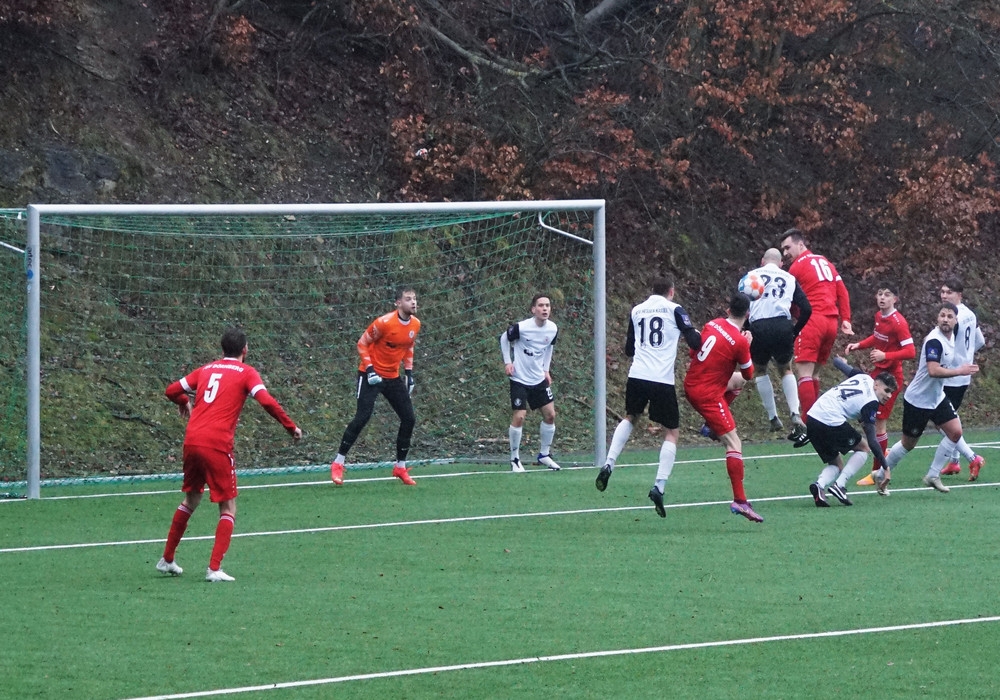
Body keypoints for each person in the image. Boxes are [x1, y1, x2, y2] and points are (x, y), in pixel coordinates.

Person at [159, 327, 302, 582]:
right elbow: (266, 400)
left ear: (222, 349)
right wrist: (291, 427)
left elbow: (171, 390)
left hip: (192, 441)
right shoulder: (246, 372)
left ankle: (167, 559)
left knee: (191, 499)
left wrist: (184, 401)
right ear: (245, 349)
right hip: (216, 444)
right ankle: (214, 569)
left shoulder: (206, 369)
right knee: (228, 506)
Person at [595, 277, 702, 499]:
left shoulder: (637, 310)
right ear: (671, 292)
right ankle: (659, 486)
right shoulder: (675, 309)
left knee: (630, 417)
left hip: (637, 375)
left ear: (652, 291)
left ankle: (608, 463)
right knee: (671, 431)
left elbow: (629, 349)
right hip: (662, 379)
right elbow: (694, 341)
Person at [873, 303, 978, 495]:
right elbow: (933, 370)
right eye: (942, 315)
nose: (945, 319)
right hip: (918, 400)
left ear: (956, 321)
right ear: (937, 318)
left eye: (950, 316)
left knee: (955, 432)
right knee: (908, 444)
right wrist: (959, 371)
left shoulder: (951, 337)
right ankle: (881, 474)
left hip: (937, 398)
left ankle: (933, 475)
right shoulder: (934, 341)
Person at [682, 292, 763, 522]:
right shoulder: (740, 341)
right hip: (707, 395)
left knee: (736, 382)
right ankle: (740, 501)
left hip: (694, 382)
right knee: (734, 442)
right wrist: (747, 346)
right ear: (747, 315)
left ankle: (710, 426)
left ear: (728, 310)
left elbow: (693, 351)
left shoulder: (712, 323)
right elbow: (749, 374)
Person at [329, 286, 421, 486]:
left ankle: (400, 467)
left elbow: (409, 346)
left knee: (409, 418)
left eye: (414, 298)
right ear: (398, 303)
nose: (413, 302)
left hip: (392, 377)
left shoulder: (415, 324)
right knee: (362, 417)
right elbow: (362, 343)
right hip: (370, 374)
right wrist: (370, 370)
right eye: (408, 299)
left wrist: (409, 373)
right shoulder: (384, 323)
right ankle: (338, 463)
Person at [832, 284, 915, 486]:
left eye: (887, 294)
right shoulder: (879, 316)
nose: (882, 298)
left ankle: (877, 471)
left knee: (878, 422)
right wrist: (859, 345)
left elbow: (911, 352)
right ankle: (882, 451)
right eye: (880, 294)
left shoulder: (898, 322)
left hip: (890, 379)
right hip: (878, 374)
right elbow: (877, 338)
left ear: (895, 299)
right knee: (869, 418)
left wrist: (885, 355)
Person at [779, 229, 853, 424]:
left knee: (804, 373)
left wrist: (794, 317)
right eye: (783, 249)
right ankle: (817, 420)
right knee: (815, 374)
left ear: (800, 244)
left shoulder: (796, 267)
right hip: (831, 323)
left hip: (813, 321)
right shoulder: (825, 262)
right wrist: (846, 318)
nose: (785, 253)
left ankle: (809, 423)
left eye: (788, 247)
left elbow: (790, 300)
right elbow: (842, 291)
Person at [744, 248, 812, 438]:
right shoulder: (789, 278)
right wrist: (794, 331)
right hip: (782, 326)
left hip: (759, 326)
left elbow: (742, 305)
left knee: (760, 370)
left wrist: (746, 328)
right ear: (781, 263)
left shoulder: (751, 276)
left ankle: (773, 418)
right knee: (786, 369)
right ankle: (795, 414)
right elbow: (807, 309)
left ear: (762, 261)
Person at [805, 368, 896, 507]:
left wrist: (838, 361)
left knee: (836, 464)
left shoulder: (864, 377)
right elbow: (872, 441)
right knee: (863, 448)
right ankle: (839, 485)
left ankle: (819, 485)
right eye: (887, 390)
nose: (889, 396)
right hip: (829, 420)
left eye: (891, 393)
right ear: (876, 385)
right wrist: (886, 468)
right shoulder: (871, 402)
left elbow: (844, 367)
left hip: (812, 418)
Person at [499, 293, 561, 472]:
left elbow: (549, 348)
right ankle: (515, 459)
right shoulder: (522, 327)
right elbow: (504, 338)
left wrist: (546, 370)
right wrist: (508, 362)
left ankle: (544, 455)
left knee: (550, 415)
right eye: (541, 305)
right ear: (533, 309)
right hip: (519, 378)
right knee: (519, 416)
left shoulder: (552, 328)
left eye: (547, 305)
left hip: (538, 379)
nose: (545, 309)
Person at [939, 278, 986, 479]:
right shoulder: (970, 314)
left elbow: (946, 344)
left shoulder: (953, 317)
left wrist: (954, 360)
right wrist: (966, 356)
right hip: (962, 376)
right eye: (942, 291)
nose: (944, 295)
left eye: (948, 292)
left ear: (959, 294)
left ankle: (972, 457)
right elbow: (980, 341)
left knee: (943, 422)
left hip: (951, 375)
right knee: (951, 419)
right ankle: (955, 461)